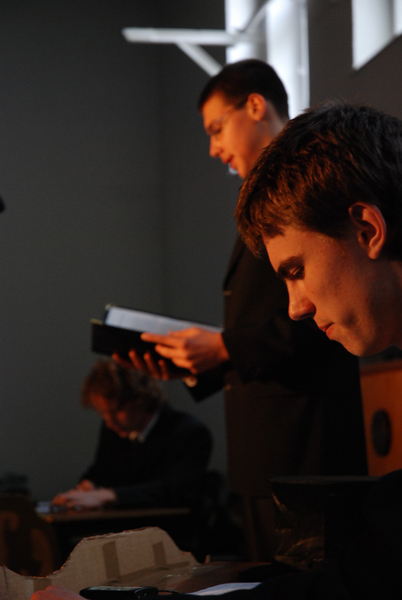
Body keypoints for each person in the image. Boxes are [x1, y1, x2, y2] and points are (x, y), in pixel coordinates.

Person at [33, 101, 402, 600]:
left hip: (306, 443)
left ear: (368, 231)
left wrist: (223, 347)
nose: (296, 307)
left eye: (296, 271)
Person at [117, 60, 367, 560]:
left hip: (307, 443)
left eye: (216, 128)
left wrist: (224, 346)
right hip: (263, 446)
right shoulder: (265, 196)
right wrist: (198, 361)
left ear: (255, 106)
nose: (213, 148)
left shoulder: (314, 180)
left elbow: (325, 311)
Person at [52, 359, 212, 510]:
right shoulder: (114, 430)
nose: (109, 422)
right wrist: (90, 484)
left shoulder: (188, 432)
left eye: (115, 411)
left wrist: (110, 495)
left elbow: (175, 490)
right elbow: (101, 472)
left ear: (140, 399)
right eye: (102, 413)